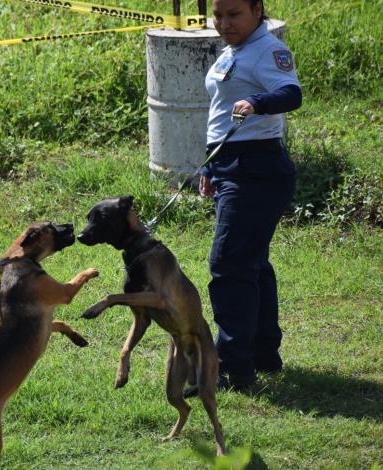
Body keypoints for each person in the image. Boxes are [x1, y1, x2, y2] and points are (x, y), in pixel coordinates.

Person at [199, 0, 302, 391]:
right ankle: (262, 355)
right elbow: (222, 110)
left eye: (234, 14)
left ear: (257, 10)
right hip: (230, 165)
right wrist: (211, 165)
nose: (224, 23)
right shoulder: (233, 51)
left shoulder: (267, 50)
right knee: (252, 262)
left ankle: (230, 368)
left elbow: (291, 94)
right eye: (218, 15)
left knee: (228, 264)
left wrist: (258, 102)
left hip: (257, 169)